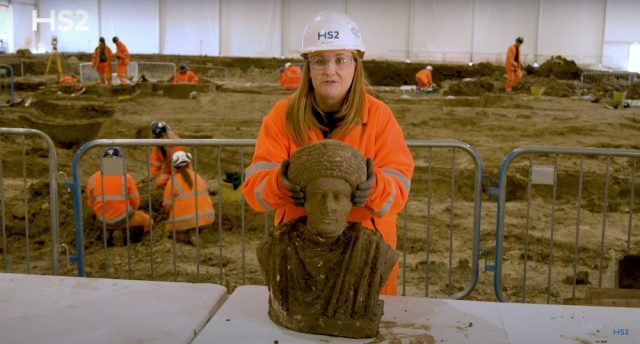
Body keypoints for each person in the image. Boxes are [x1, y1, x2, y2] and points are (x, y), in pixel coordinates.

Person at [242, 11, 414, 295]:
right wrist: (280, 185)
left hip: (364, 262)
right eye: (320, 60)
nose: (330, 70)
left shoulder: (379, 117)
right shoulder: (281, 117)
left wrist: (374, 188)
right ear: (308, 66)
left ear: (356, 64)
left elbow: (398, 190)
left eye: (341, 59)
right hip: (298, 258)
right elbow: (255, 191)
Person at [257, 140, 398, 338]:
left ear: (352, 201)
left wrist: (377, 186)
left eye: (339, 196)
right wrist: (277, 183)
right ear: (304, 199)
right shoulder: (275, 247)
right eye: (319, 195)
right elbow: (255, 186)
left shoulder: (372, 251)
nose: (329, 206)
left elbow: (399, 186)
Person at [87, 147, 151, 245]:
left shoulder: (92, 179)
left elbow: (91, 203)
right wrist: (130, 212)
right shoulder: (126, 177)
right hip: (123, 219)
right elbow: (136, 202)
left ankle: (107, 232)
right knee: (148, 221)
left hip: (102, 220)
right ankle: (138, 241)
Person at [163, 151, 215, 245]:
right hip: (207, 217)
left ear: (174, 167)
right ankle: (195, 231)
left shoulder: (172, 182)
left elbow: (167, 205)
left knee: (168, 232)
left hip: (184, 220)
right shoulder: (198, 177)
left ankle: (187, 236)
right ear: (189, 163)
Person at [149, 121, 186, 188]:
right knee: (159, 182)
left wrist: (170, 184)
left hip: (182, 175)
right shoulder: (159, 147)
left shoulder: (177, 146)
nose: (159, 141)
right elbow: (154, 164)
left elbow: (179, 170)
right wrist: (152, 178)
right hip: (169, 174)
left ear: (165, 135)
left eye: (161, 137)